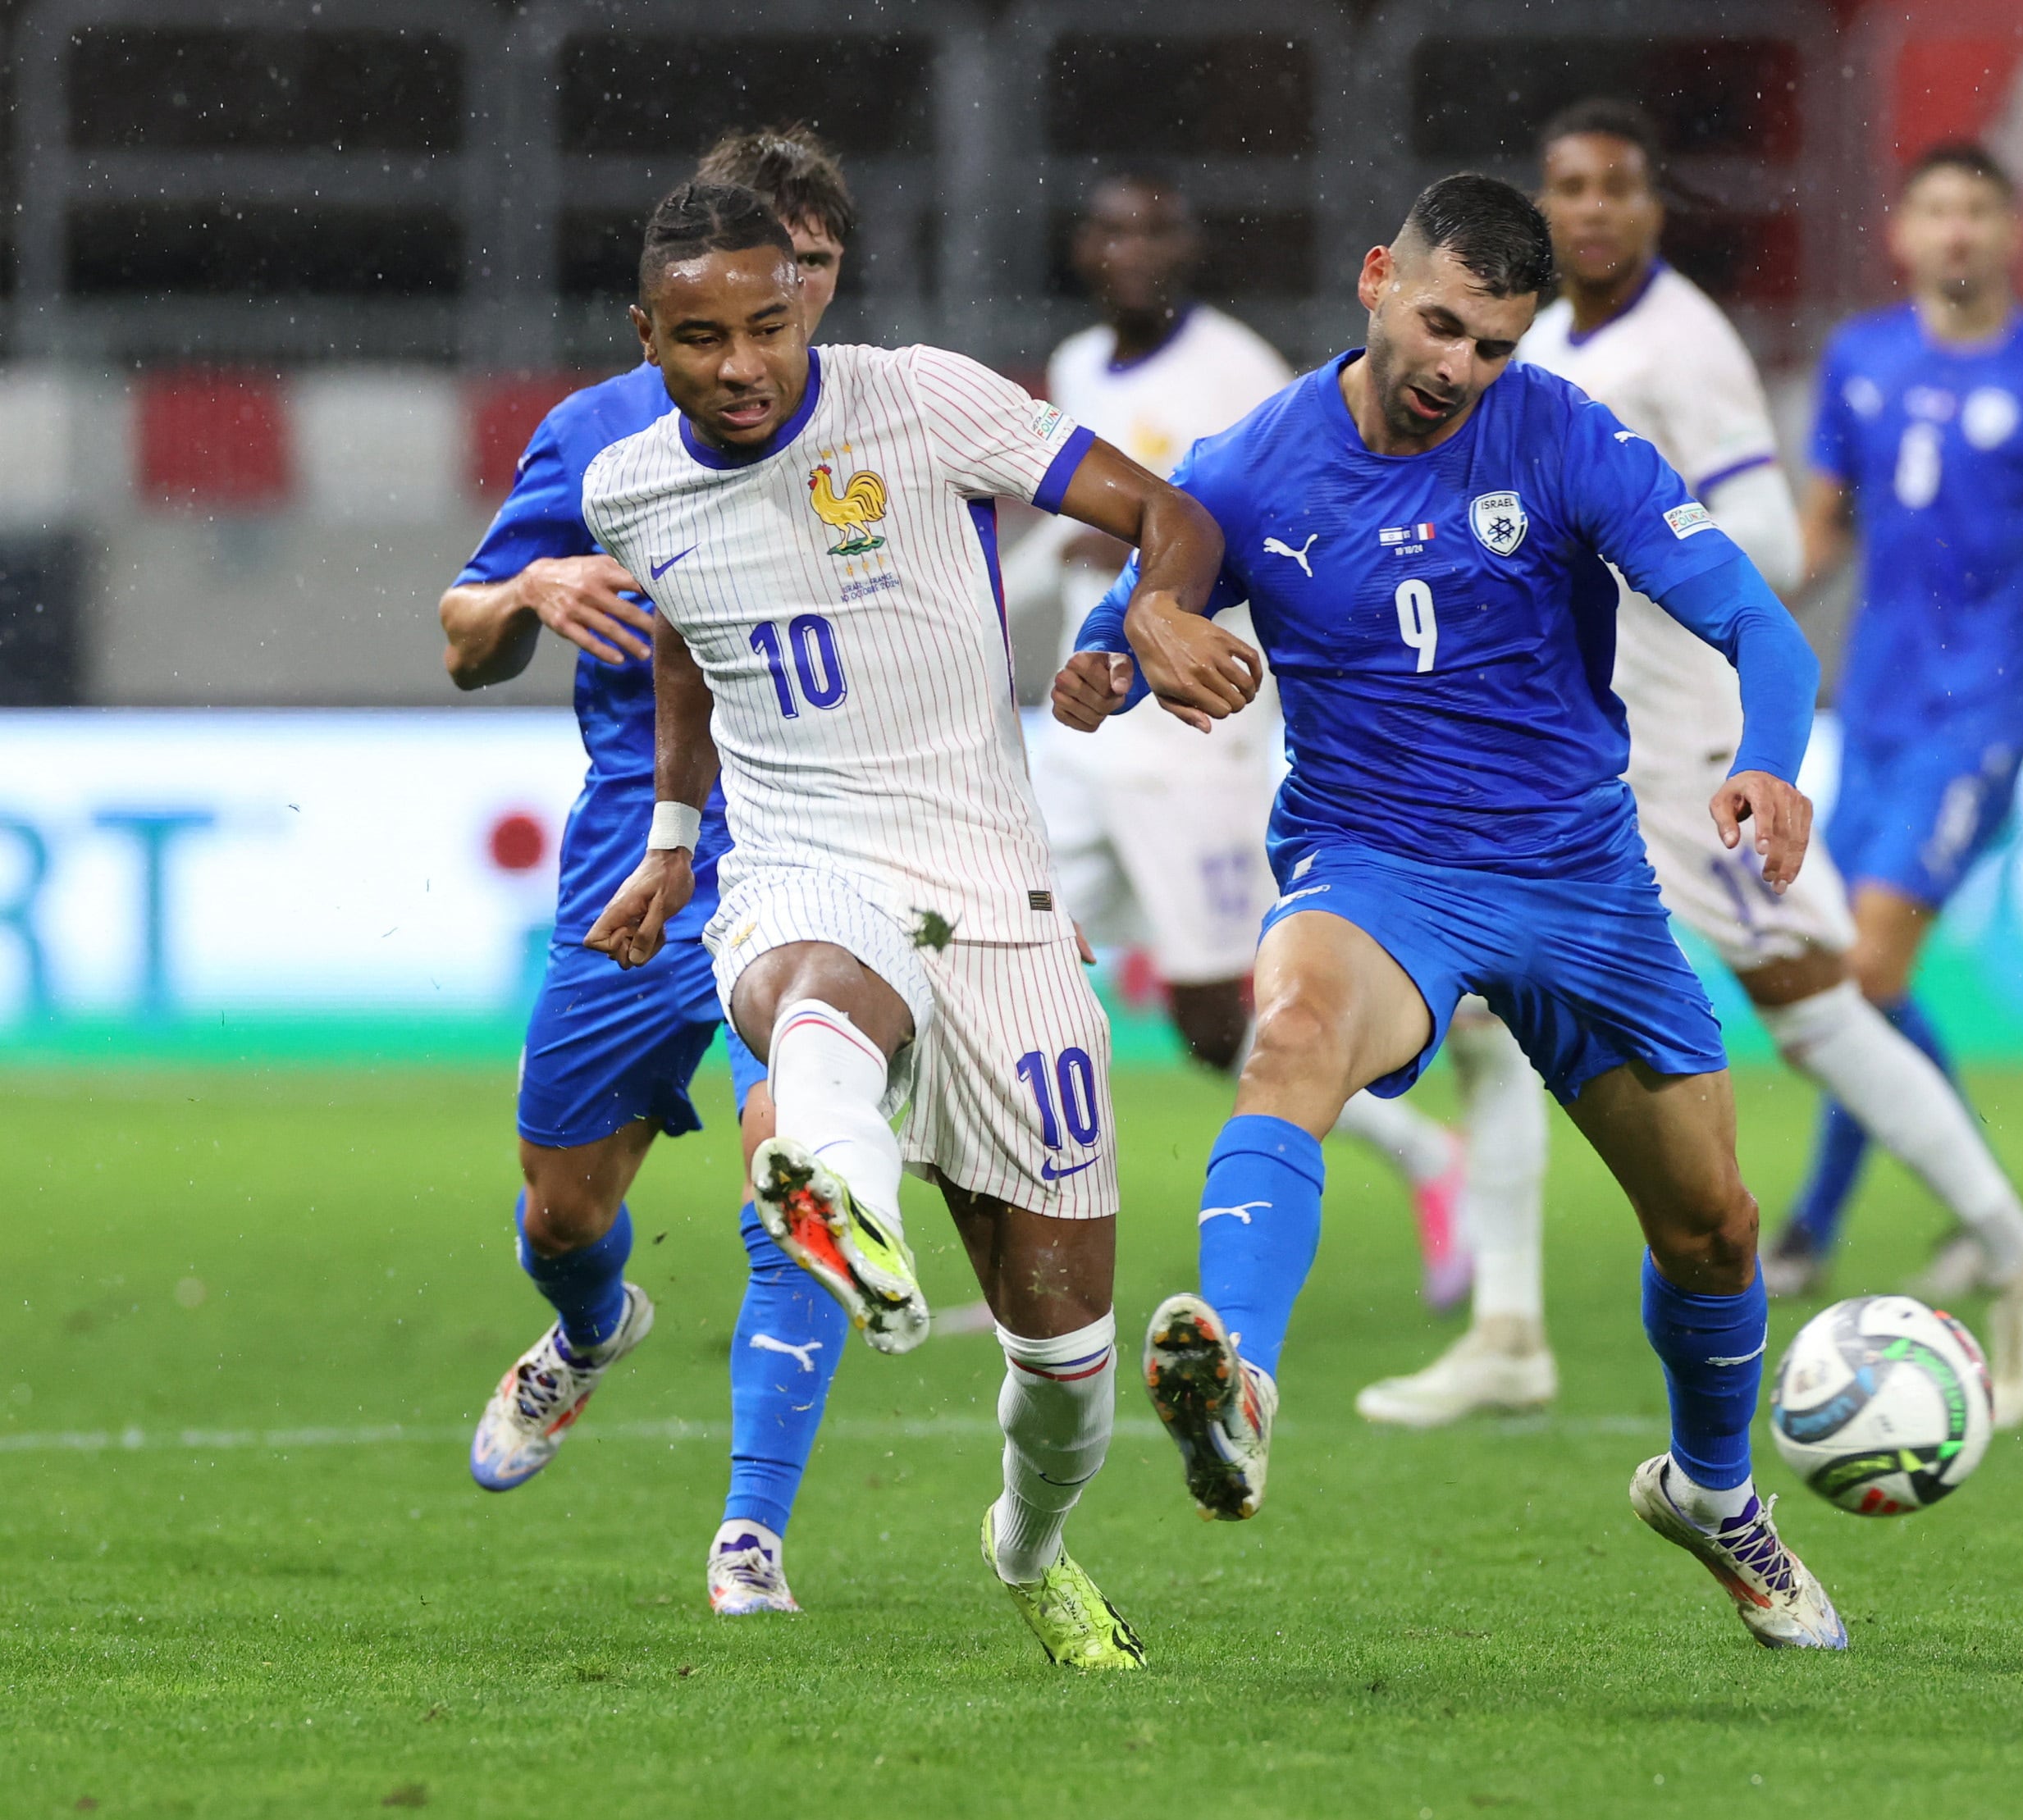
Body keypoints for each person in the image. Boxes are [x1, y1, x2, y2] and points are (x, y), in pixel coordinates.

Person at [1057, 175, 1846, 1650]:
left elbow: (1760, 623)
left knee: (1715, 1231)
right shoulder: (1255, 463)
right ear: (1376, 281)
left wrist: (1768, 764)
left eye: (1492, 344)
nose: (1456, 370)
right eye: (1438, 326)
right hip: (1377, 868)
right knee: (1289, 1033)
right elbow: (1121, 625)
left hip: (1579, 879)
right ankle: (1241, 1381)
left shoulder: (1564, 436)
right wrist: (1115, 661)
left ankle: (1714, 1490)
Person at [1360, 101, 2023, 1432]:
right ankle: (1511, 1329)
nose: (1589, 210)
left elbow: (1762, 525)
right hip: (1570, 740)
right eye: (1568, 185)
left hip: (1683, 736)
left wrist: (1618, 546)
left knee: (1815, 1005)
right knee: (1488, 1017)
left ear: (1652, 207)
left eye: (1616, 189)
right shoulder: (1546, 334)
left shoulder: (1679, 343)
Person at [584, 180, 1229, 1670]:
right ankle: (831, 1180)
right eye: (700, 338)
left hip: (996, 894)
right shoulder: (627, 487)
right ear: (646, 336)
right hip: (802, 860)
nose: (742, 364)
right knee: (818, 988)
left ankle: (1029, 1542)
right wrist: (679, 836)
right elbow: (683, 637)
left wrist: (1153, 611)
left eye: (766, 322)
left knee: (1065, 1361)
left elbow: (1168, 512)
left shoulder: (926, 401)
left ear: (804, 301)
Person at [443, 127, 881, 1615]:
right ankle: (586, 1328)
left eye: (811, 271)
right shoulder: (599, 433)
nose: (787, 303)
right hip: (639, 864)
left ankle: (752, 1531)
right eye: (767, 268)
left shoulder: (894, 427)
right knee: (561, 1209)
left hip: (822, 850)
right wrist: (527, 585)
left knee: (797, 1161)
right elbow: (459, 640)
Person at [1013, 171, 1472, 1307]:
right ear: (1085, 249)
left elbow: (1307, 524)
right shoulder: (1075, 368)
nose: (1137, 250)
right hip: (1085, 731)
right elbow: (1086, 531)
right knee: (1011, 955)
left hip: (1194, 737)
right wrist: (1033, 581)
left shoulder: (1239, 374)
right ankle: (1025, 1250)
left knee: (1223, 1020)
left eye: (1159, 227)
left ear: (1188, 247)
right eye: (1117, 229)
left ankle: (1428, 1158)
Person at [1764, 140, 2023, 1415]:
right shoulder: (1862, 363)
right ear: (1902, 231)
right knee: (1844, 980)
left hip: (1981, 713)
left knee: (1865, 972)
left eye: (1978, 210)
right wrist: (1727, 622)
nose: (1957, 231)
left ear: (2011, 233)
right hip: (1869, 708)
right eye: (1935, 208)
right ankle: (1964, 1222)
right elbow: (1823, 531)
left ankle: (1823, 1224)